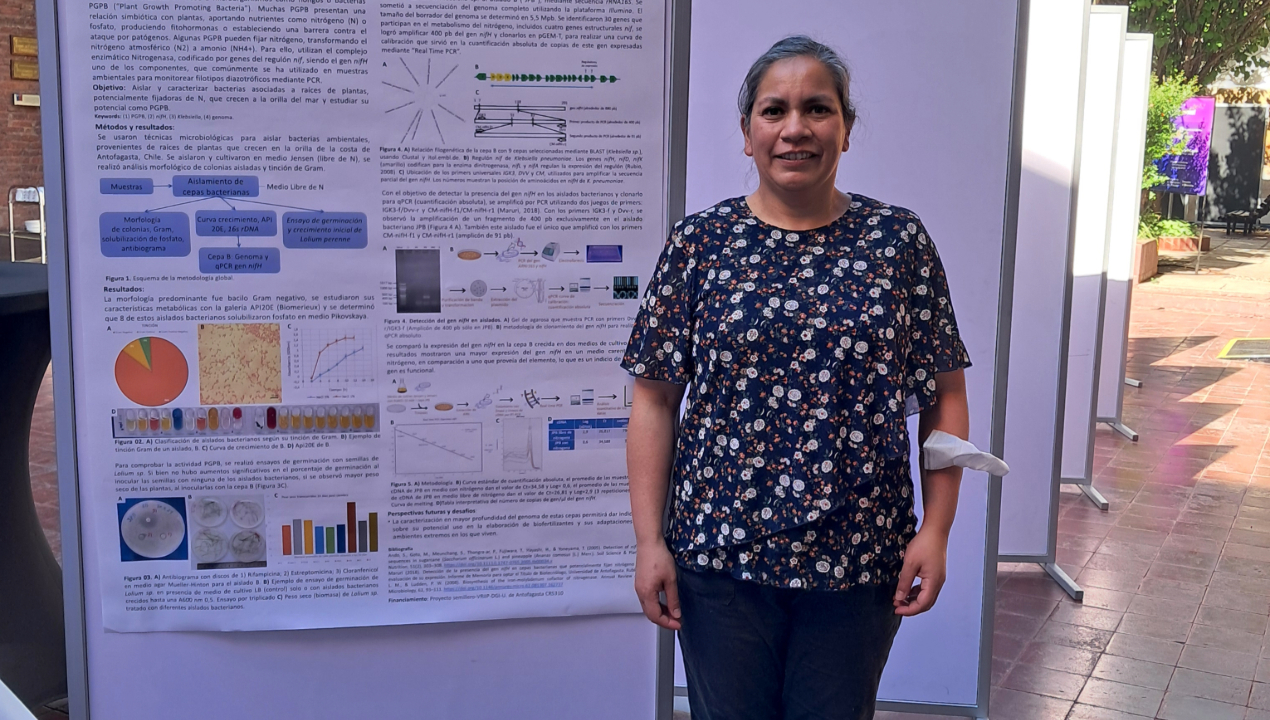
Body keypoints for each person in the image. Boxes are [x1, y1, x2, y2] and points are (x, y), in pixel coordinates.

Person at [622, 35, 973, 720]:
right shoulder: (700, 244)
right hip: (719, 556)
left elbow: (945, 395)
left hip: (859, 557)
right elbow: (655, 401)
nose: (795, 129)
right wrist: (648, 541)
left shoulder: (897, 242)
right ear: (747, 132)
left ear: (846, 128)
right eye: (773, 110)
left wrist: (937, 530)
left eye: (817, 108)